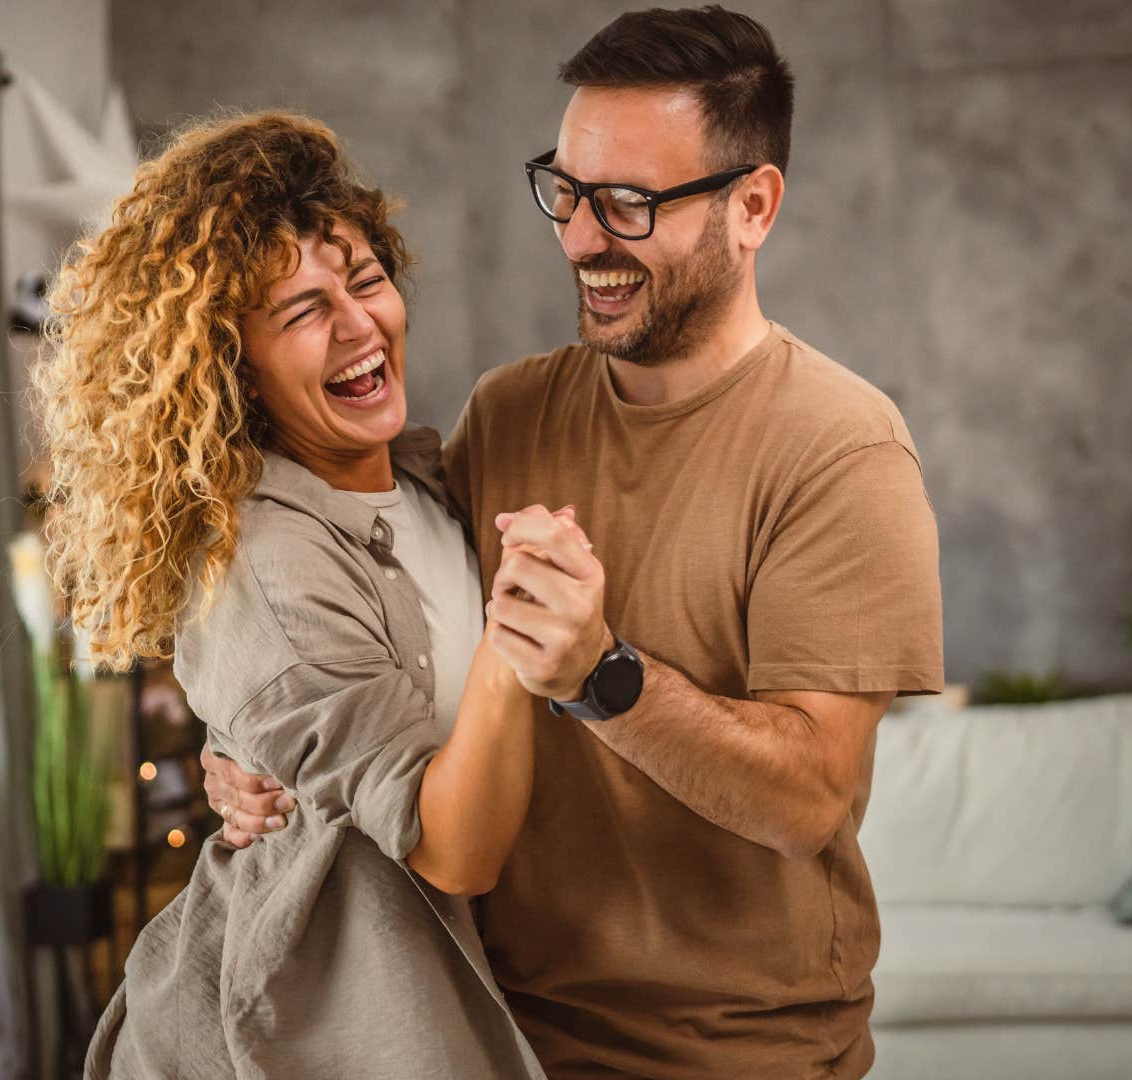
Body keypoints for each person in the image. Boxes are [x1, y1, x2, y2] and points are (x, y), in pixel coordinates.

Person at [205, 7, 946, 1077]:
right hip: (500, 1038)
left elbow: (811, 799)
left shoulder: (841, 450)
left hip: (741, 1058)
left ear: (753, 205)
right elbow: (402, 636)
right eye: (567, 189)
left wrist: (603, 678)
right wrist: (252, 742)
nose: (582, 237)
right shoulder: (507, 413)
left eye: (630, 203)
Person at [37, 110, 551, 1078]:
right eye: (304, 311)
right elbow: (455, 850)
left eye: (364, 282)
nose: (359, 324)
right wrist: (526, 639)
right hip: (316, 1032)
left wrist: (232, 744)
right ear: (237, 363)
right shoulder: (264, 565)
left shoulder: (429, 477)